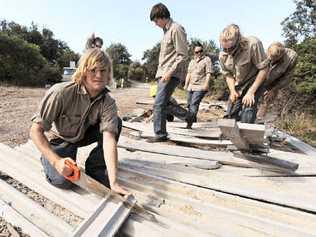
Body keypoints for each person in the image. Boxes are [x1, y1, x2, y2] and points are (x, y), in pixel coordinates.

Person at [30, 48, 129, 196]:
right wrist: (56, 162)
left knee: (117, 123)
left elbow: (109, 139)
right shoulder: (60, 93)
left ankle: (95, 167)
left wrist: (113, 182)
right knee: (64, 181)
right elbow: (35, 131)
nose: (99, 75)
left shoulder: (108, 102)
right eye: (93, 70)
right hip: (60, 141)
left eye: (103, 70)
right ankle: (48, 158)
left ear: (109, 73)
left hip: (82, 135)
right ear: (83, 71)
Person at [148, 3, 188, 142]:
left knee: (159, 103)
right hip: (163, 73)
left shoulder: (176, 29)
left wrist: (169, 73)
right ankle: (188, 117)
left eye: (155, 20)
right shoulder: (166, 31)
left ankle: (160, 134)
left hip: (170, 74)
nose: (155, 24)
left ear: (162, 16)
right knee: (164, 103)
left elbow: (182, 55)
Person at [219, 24, 269, 123]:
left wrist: (251, 92)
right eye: (224, 48)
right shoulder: (222, 55)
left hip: (255, 79)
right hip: (239, 83)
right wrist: (232, 90)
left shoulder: (253, 44)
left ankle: (246, 134)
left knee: (248, 107)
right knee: (230, 112)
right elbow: (228, 74)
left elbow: (264, 69)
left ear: (238, 41)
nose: (228, 51)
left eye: (230, 48)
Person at [257, 42, 298, 118]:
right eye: (270, 58)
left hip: (274, 83)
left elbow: (287, 77)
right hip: (258, 79)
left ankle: (259, 120)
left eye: (274, 59)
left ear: (281, 56)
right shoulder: (264, 53)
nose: (271, 60)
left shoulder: (291, 57)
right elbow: (256, 68)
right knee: (250, 101)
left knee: (266, 101)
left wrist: (273, 90)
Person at [184, 42, 214, 128]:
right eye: (196, 52)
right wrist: (186, 85)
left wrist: (206, 84)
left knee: (194, 103)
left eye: (200, 51)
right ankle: (192, 122)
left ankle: (189, 124)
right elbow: (189, 74)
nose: (199, 53)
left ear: (202, 51)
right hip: (191, 86)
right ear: (194, 52)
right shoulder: (192, 61)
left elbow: (208, 73)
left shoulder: (207, 59)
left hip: (200, 86)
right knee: (189, 105)